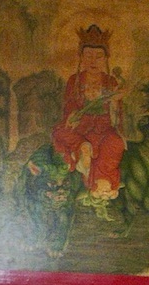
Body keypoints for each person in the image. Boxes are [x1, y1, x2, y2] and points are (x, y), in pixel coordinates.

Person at [52, 24, 125, 200]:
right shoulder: (74, 80)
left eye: (98, 56)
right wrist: (72, 116)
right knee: (59, 132)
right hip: (80, 129)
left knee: (116, 143)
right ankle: (82, 148)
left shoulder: (111, 82)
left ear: (105, 58)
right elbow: (69, 105)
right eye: (89, 56)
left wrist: (115, 102)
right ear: (81, 57)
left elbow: (117, 116)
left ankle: (101, 182)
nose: (93, 61)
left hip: (103, 129)